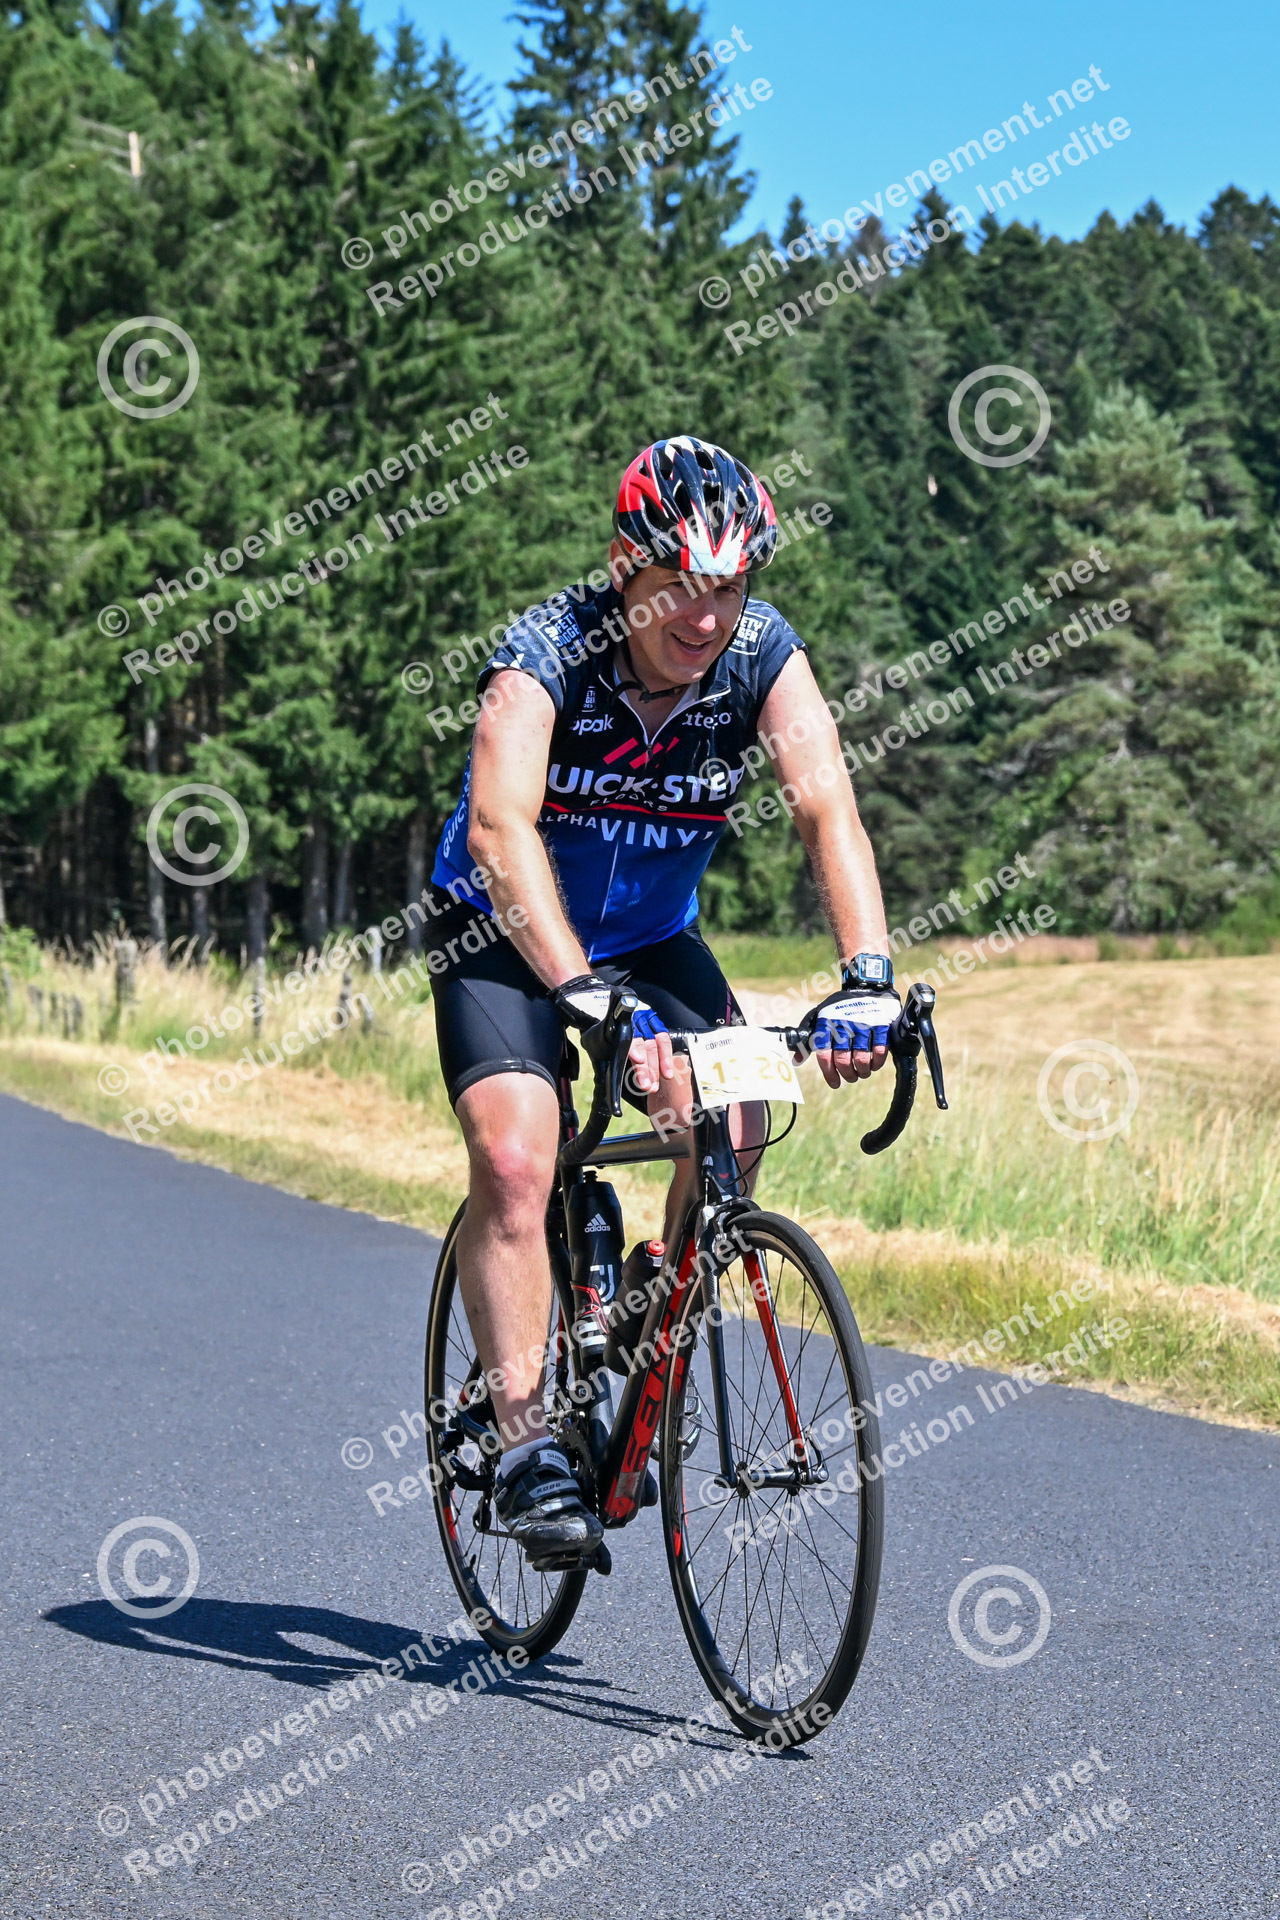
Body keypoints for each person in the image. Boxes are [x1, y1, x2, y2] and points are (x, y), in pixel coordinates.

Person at [427, 435, 898, 1566]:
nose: (707, 616)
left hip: (648, 939)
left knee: (736, 1123)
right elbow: (499, 827)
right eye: (682, 585)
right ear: (623, 569)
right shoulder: (545, 654)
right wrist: (579, 993)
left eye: (731, 587)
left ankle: (647, 1321)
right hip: (503, 929)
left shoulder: (762, 657)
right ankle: (526, 1444)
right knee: (518, 1158)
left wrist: (868, 978)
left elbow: (825, 807)